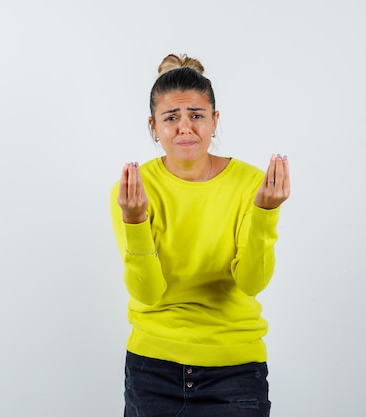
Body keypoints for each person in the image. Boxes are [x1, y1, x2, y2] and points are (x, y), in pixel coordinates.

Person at [110, 53, 290, 417]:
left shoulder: (250, 184)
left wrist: (265, 212)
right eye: (171, 118)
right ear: (153, 126)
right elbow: (148, 292)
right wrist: (134, 220)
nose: (185, 128)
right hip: (153, 367)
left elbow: (251, 282)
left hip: (235, 369)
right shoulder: (134, 189)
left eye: (196, 115)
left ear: (214, 120)